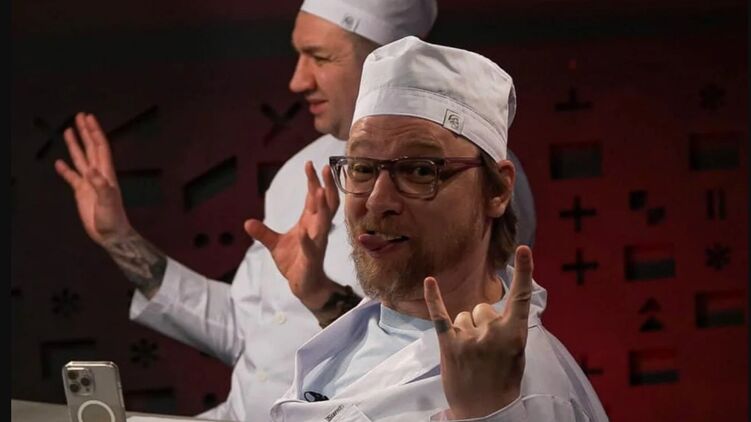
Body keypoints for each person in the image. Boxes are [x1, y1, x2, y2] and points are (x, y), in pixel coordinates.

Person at [53, 1, 534, 421]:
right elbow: (250, 329)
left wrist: (319, 294)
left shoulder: (470, 180)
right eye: (361, 169)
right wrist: (120, 238)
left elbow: (436, 344)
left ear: (387, 57)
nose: (297, 79)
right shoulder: (296, 173)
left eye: (320, 57)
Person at [262, 36, 608, 421]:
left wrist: (486, 417)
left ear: (497, 191)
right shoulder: (382, 325)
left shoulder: (531, 397)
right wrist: (318, 295)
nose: (377, 200)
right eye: (361, 168)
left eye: (419, 171)